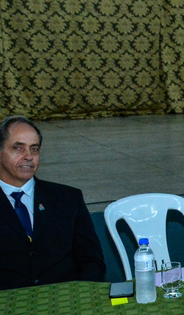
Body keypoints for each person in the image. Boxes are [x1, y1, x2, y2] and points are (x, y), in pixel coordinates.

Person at [0, 115, 105, 290]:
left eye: (34, 149)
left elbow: (91, 260)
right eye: (18, 148)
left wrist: (80, 294)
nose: (28, 156)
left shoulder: (68, 199)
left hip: (66, 298)